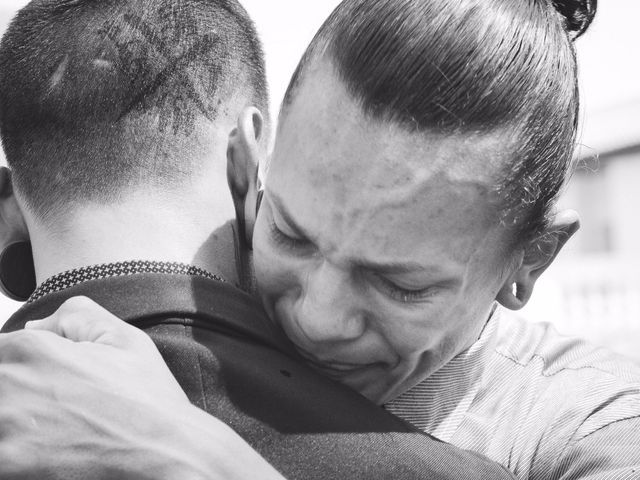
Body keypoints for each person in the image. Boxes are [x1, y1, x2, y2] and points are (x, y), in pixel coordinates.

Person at [3, 0, 640, 478]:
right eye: (288, 233)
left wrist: (191, 458)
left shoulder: (591, 429)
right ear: (252, 167)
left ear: (530, 262)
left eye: (399, 285)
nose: (316, 319)